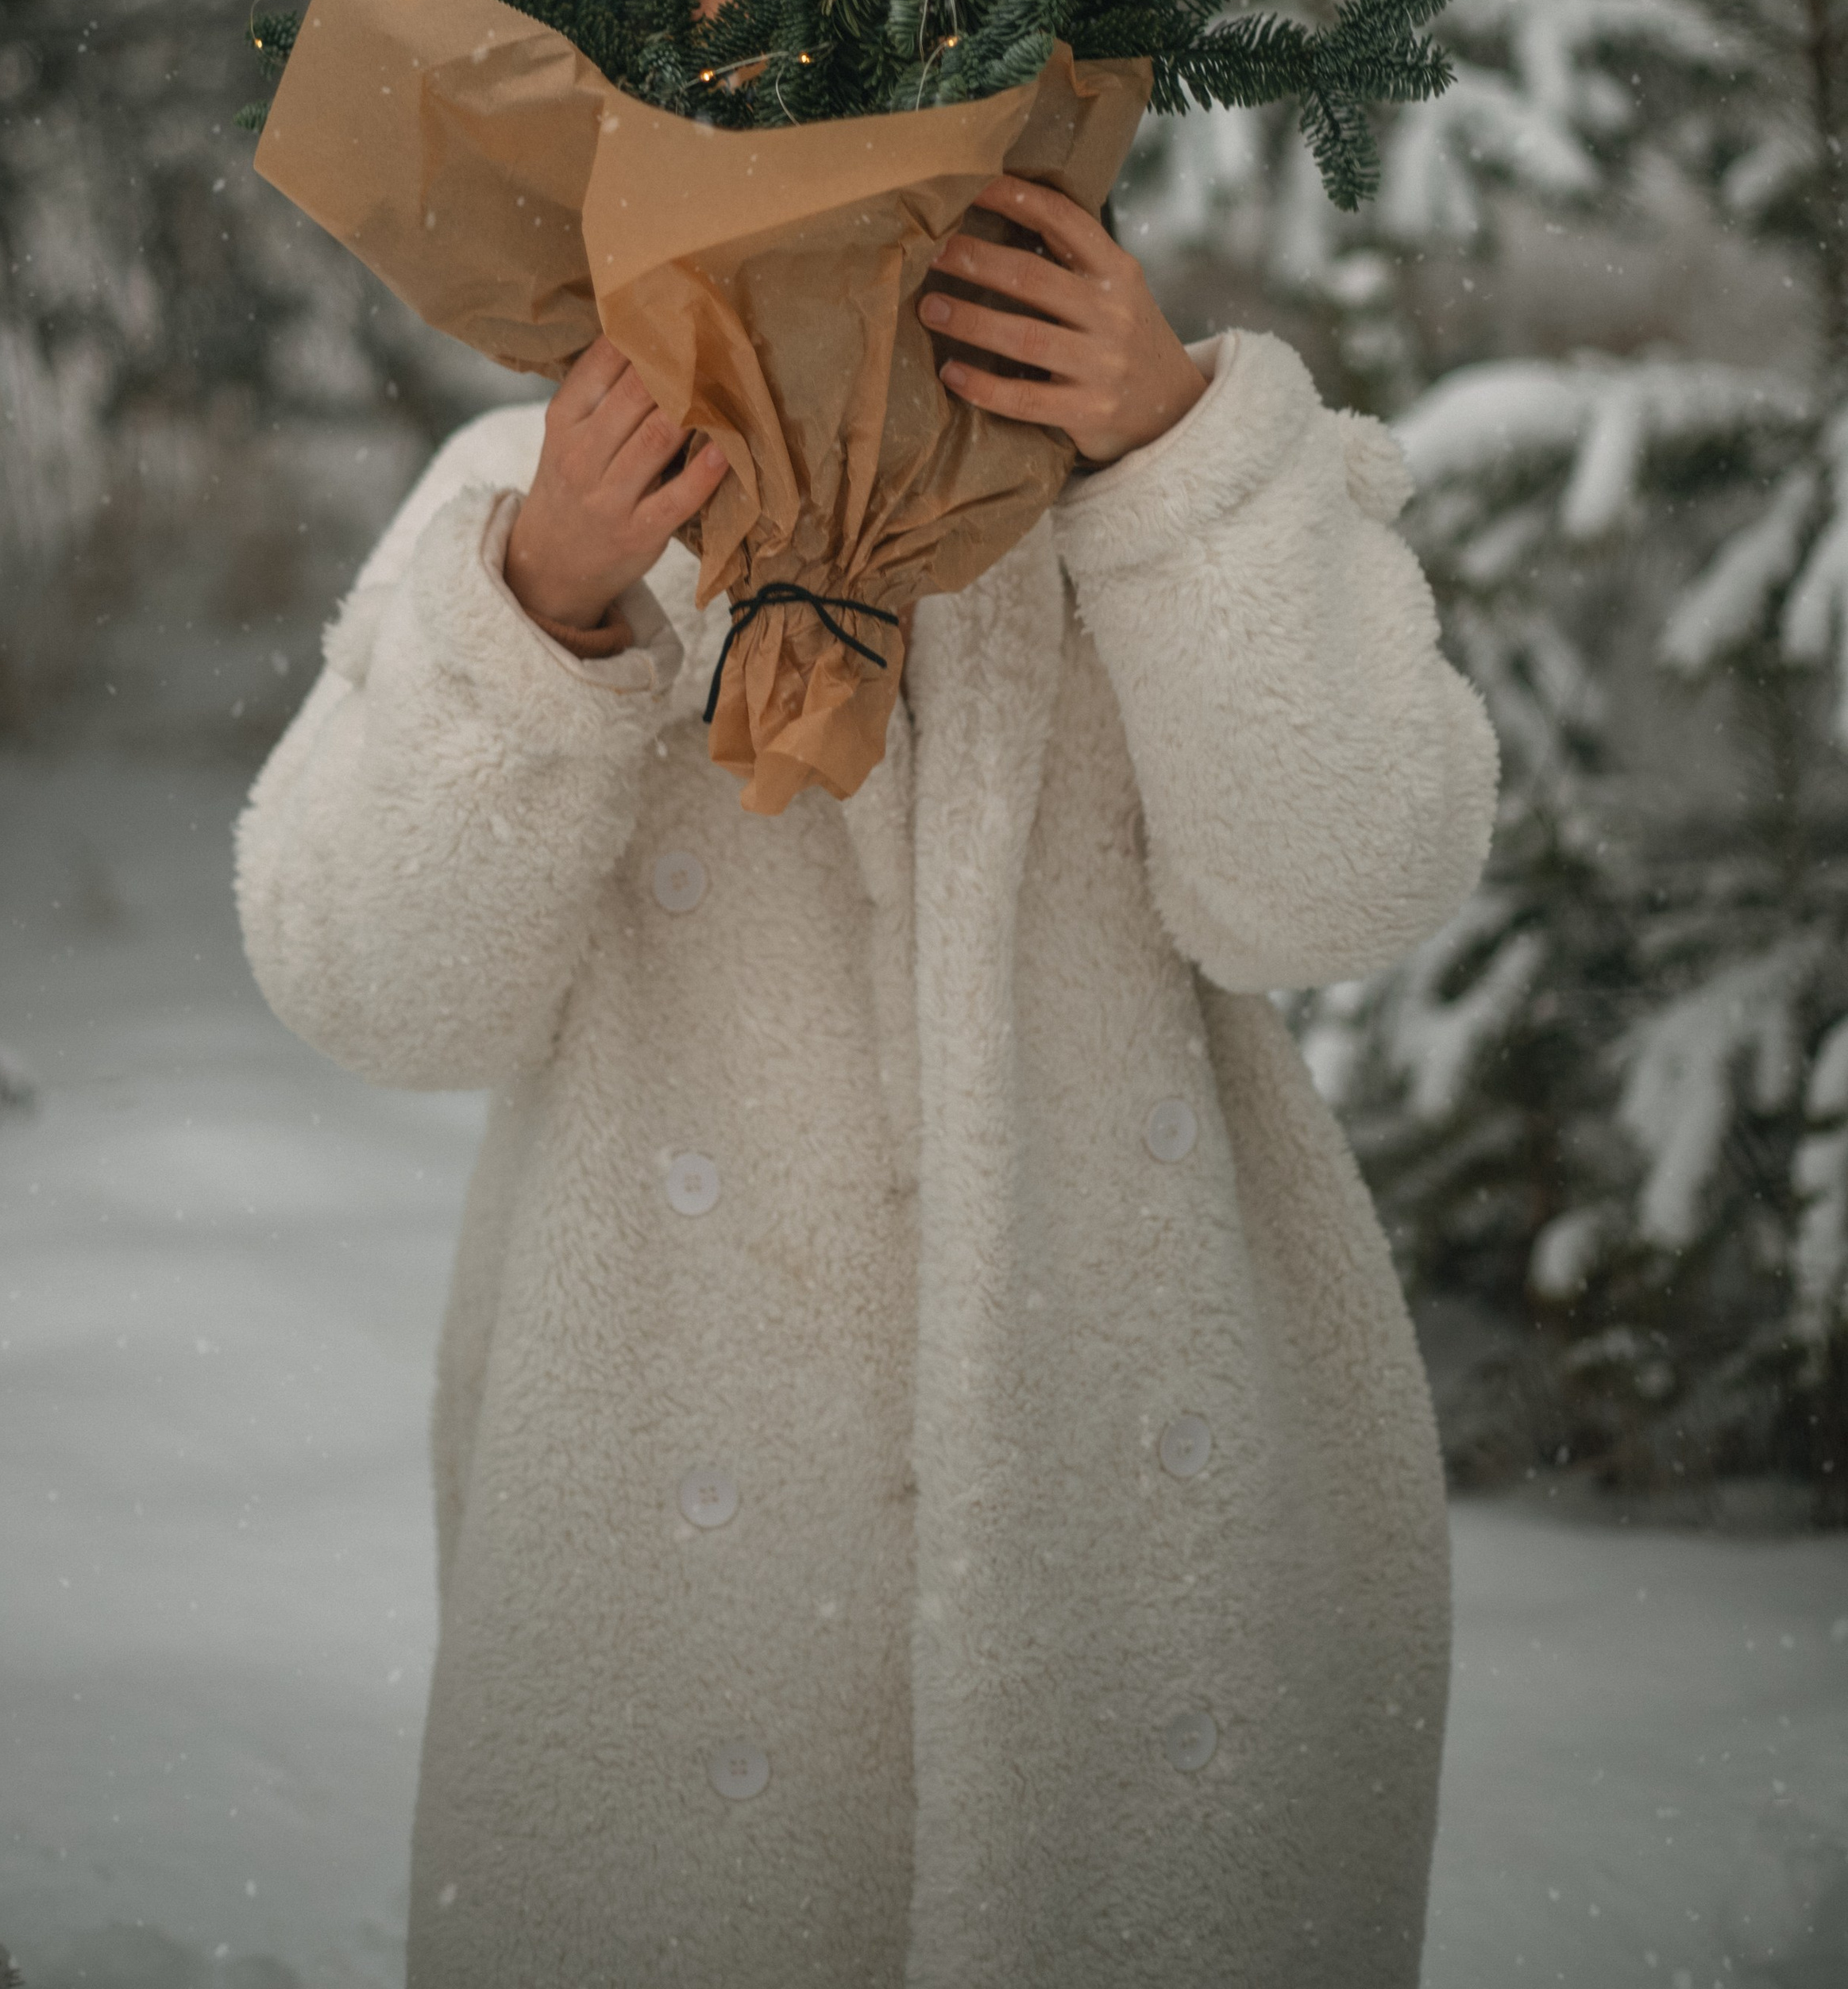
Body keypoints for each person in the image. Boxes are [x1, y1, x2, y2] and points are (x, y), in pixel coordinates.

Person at [235, 175, 1499, 1989]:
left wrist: (1175, 455)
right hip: (674, 1559)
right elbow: (370, 990)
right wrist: (542, 598)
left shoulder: (1145, 455)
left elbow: (1344, 886)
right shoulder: (548, 483)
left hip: (1143, 1540)